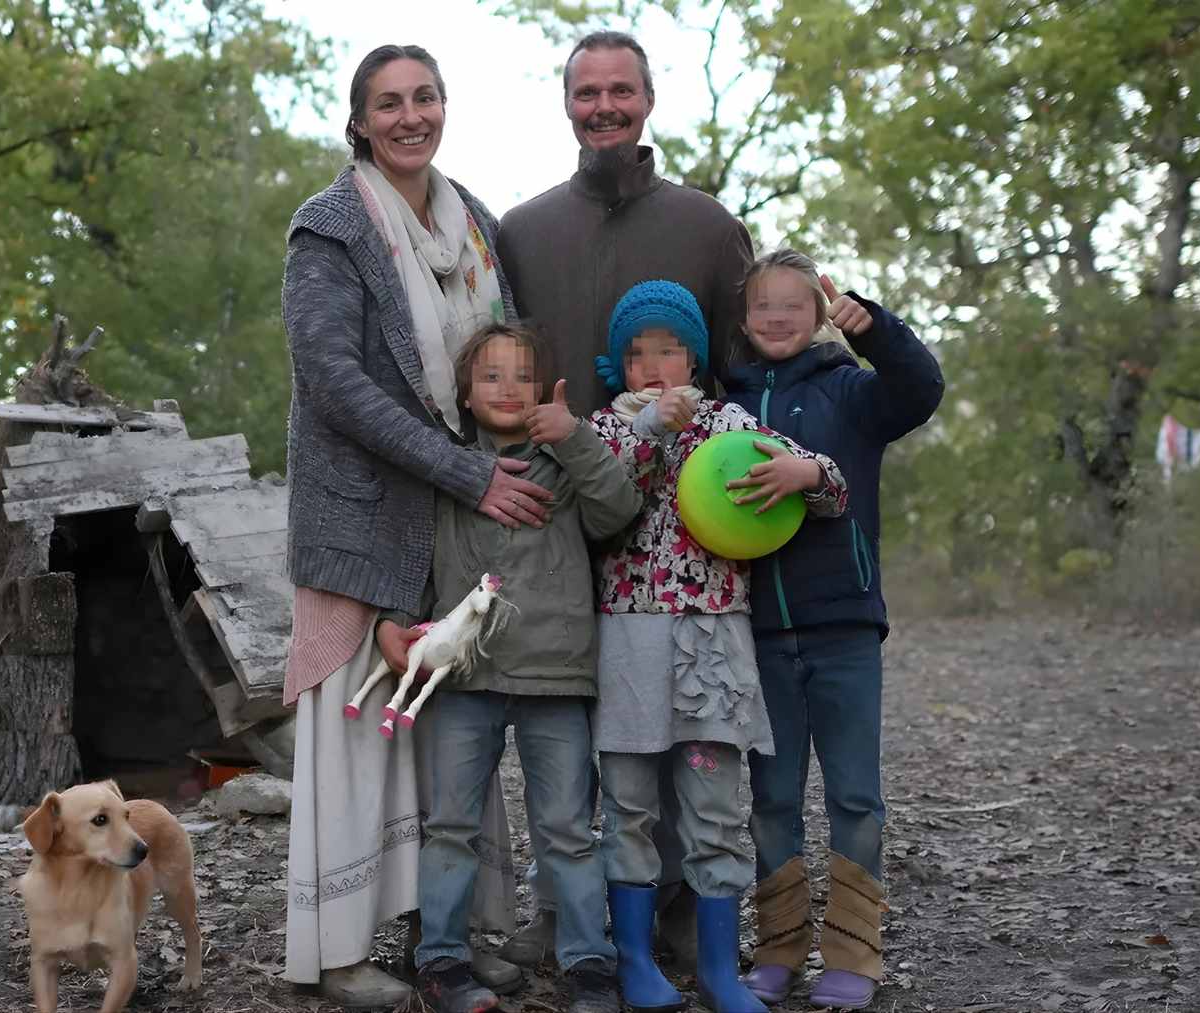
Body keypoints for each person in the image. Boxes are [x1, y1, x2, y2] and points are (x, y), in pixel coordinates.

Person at [280, 44, 551, 1009]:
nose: (409, 116)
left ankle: (460, 932)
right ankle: (339, 950)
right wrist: (467, 472)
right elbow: (337, 384)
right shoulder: (332, 226)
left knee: (452, 731)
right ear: (358, 121)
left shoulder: (470, 220)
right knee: (357, 733)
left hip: (452, 517)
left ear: (445, 105)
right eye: (387, 103)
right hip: (359, 517)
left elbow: (500, 361)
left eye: (424, 97)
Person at [494, 28, 755, 967]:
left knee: (680, 723)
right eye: (586, 92)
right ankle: (568, 910)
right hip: (553, 516)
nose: (603, 106)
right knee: (570, 728)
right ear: (567, 103)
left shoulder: (706, 226)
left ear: (648, 101)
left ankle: (682, 910)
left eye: (621, 91)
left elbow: (741, 375)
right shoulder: (522, 230)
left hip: (680, 538)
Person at [586, 281, 847, 1013]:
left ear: (694, 357)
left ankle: (717, 969)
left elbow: (830, 488)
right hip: (629, 640)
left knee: (712, 807)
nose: (654, 366)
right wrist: (651, 433)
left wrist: (808, 472)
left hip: (713, 642)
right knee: (630, 804)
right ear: (622, 367)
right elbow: (605, 507)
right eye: (637, 354)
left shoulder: (730, 423)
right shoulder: (604, 431)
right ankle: (636, 962)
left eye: (669, 349)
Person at [392, 323, 640, 1013]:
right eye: (491, 375)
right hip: (464, 678)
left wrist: (571, 435)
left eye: (521, 375)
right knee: (450, 825)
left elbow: (618, 507)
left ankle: (590, 963)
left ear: (542, 390)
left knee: (566, 828)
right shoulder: (445, 469)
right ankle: (441, 961)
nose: (507, 387)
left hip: (555, 676)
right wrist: (395, 619)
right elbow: (414, 557)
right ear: (466, 394)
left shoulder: (562, 463)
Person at [722, 249, 943, 1011]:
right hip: (757, 631)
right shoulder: (727, 402)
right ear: (744, 321)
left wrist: (876, 329)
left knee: (854, 795)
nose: (778, 317)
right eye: (763, 306)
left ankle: (853, 951)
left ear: (817, 315)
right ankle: (780, 945)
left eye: (794, 304)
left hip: (844, 623)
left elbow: (922, 389)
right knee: (771, 797)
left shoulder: (852, 390)